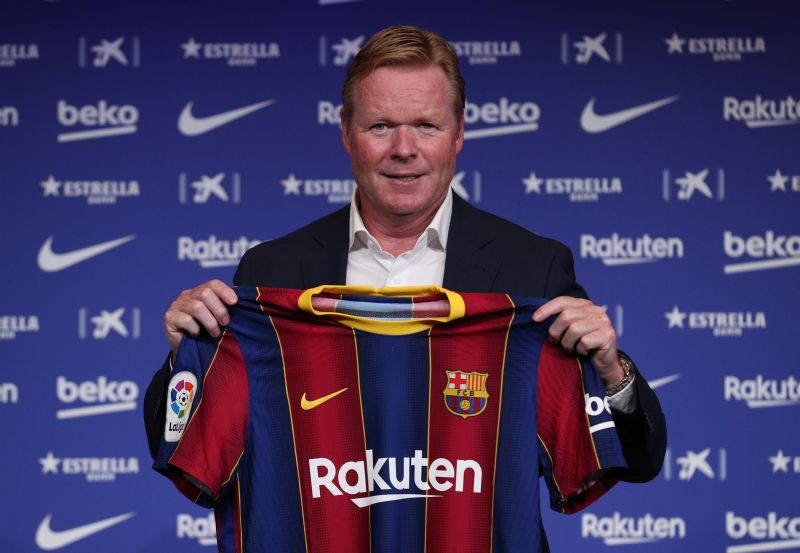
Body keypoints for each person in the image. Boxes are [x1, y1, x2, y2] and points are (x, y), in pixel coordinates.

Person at [145, 24, 665, 550]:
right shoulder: (271, 271)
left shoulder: (533, 270)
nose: (404, 149)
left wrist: (609, 373)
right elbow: (185, 449)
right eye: (380, 125)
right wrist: (187, 357)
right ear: (346, 131)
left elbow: (637, 461)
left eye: (426, 125)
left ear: (459, 133)